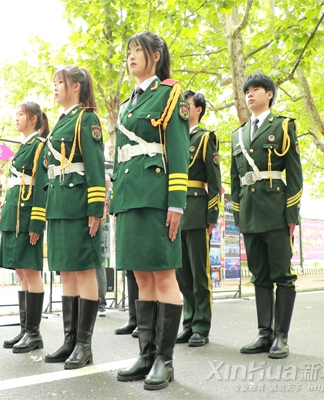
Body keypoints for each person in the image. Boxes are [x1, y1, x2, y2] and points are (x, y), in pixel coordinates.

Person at [111, 31, 189, 390]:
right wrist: (115, 200)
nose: (130, 56)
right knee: (142, 277)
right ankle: (146, 355)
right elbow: (120, 156)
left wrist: (176, 202)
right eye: (128, 51)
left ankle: (164, 360)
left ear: (155, 56)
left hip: (157, 196)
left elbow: (178, 151)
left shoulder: (170, 94)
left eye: (137, 50)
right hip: (130, 197)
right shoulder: (127, 104)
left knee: (163, 276)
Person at [230, 72, 303, 359]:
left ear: (269, 94)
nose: (250, 94)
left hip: (275, 211)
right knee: (259, 274)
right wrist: (238, 213)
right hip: (249, 213)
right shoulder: (237, 134)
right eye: (247, 91)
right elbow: (235, 179)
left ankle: (281, 337)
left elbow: (294, 173)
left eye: (256, 89)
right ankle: (264, 334)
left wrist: (292, 212)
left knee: (282, 274)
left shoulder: (283, 126)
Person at [43, 66, 106, 370]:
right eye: (54, 83)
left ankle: (84, 344)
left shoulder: (86, 118)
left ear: (76, 86)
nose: (55, 88)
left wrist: (95, 208)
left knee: (83, 271)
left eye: (60, 83)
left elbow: (94, 165)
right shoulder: (61, 121)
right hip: (58, 204)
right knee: (66, 273)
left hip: (79, 204)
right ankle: (69, 341)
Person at [0, 101, 49, 354]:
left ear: (33, 118)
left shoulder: (39, 146)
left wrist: (37, 222)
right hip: (14, 215)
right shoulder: (23, 146)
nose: (16, 118)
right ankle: (25, 329)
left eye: (21, 114)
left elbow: (42, 185)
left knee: (31, 270)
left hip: (27, 217)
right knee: (20, 270)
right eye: (16, 113)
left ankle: (34, 333)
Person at [175, 90, 221, 347]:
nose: (183, 108)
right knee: (183, 274)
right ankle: (189, 322)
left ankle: (201, 327)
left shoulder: (205, 138)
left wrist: (211, 215)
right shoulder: (175, 138)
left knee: (199, 274)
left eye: (187, 104)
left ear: (198, 109)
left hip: (196, 211)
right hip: (177, 212)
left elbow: (214, 181)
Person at [95, 174, 112, 317]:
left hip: (96, 221)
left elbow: (106, 178)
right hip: (96, 220)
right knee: (98, 264)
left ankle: (100, 304)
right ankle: (100, 305)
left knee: (98, 263)